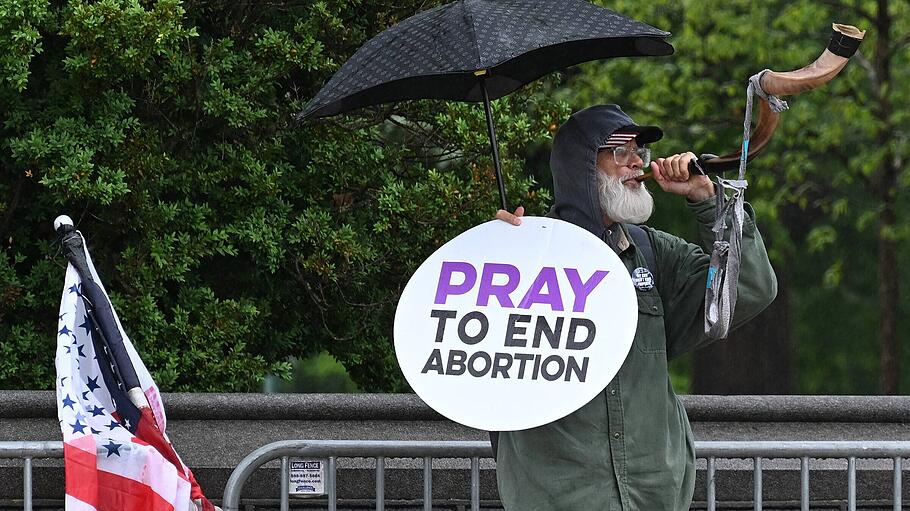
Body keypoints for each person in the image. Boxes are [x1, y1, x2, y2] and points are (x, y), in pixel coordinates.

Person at [493, 104, 777, 510]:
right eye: (619, 152)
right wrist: (494, 256)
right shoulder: (521, 255)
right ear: (581, 168)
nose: (635, 163)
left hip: (654, 497)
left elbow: (749, 289)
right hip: (559, 499)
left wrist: (708, 201)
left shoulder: (652, 251)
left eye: (638, 151)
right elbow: (476, 377)